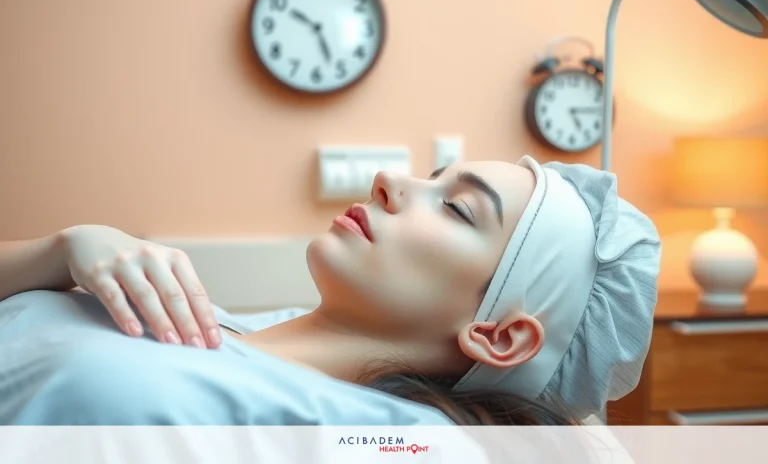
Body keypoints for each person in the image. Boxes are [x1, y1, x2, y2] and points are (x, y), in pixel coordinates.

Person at [0, 155, 661, 426]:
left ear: (497, 335)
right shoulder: (216, 321)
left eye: (457, 210)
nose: (389, 181)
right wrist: (58, 251)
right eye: (433, 178)